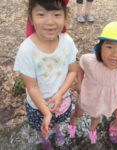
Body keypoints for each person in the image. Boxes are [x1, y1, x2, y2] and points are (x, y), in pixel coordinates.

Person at [14, 0, 78, 149]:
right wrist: (46, 112)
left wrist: (60, 94)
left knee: (57, 121)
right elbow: (32, 87)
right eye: (41, 14)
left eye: (56, 15)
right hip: (37, 105)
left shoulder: (67, 41)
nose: (50, 22)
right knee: (42, 127)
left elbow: (73, 71)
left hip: (62, 98)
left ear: (65, 17)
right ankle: (44, 140)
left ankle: (57, 131)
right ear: (31, 18)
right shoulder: (26, 50)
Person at [68, 21, 117, 144]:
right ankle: (72, 123)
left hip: (105, 98)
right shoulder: (90, 61)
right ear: (100, 47)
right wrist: (79, 82)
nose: (115, 54)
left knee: (96, 116)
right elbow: (81, 66)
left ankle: (92, 130)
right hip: (88, 94)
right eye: (109, 47)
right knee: (78, 112)